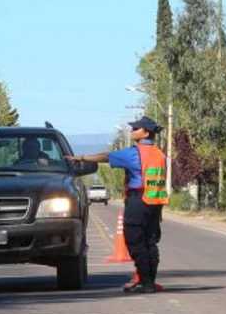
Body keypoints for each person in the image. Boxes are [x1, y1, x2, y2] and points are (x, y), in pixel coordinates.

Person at [69, 116, 168, 294]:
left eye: (135, 129)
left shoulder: (135, 153)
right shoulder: (159, 153)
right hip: (154, 202)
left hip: (138, 201)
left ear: (145, 132)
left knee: (135, 242)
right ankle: (149, 280)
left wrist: (81, 157)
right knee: (150, 243)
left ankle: (146, 283)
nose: (132, 131)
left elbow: (106, 156)